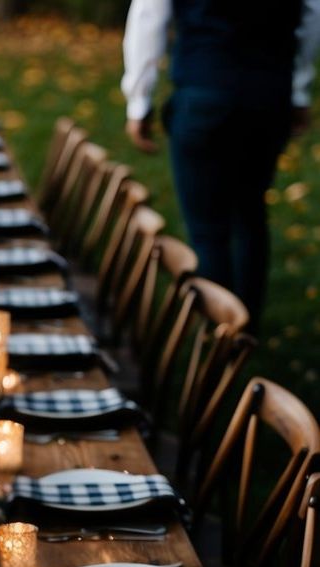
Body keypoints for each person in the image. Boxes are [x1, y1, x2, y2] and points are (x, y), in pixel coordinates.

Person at [122, 0, 320, 330]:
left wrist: (139, 99)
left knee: (208, 230)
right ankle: (245, 331)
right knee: (251, 215)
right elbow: (311, 13)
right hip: (268, 94)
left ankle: (219, 337)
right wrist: (298, 88)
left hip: (205, 91)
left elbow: (149, 13)